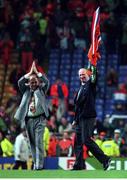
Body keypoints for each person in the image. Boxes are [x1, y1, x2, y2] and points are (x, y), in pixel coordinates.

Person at [71, 65, 111, 170]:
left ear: (87, 74)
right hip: (80, 118)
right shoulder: (81, 87)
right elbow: (77, 107)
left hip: (88, 117)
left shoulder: (90, 85)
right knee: (77, 142)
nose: (81, 76)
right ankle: (78, 165)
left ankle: (105, 159)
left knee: (86, 140)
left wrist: (93, 67)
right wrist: (75, 119)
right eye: (80, 75)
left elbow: (94, 78)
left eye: (83, 74)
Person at [14, 61, 49, 170]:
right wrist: (29, 73)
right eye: (31, 82)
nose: (33, 84)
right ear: (28, 83)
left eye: (35, 82)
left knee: (38, 142)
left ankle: (39, 166)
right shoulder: (25, 91)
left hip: (40, 119)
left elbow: (46, 82)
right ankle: (36, 164)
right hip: (28, 119)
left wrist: (37, 73)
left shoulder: (42, 90)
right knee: (32, 143)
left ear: (38, 83)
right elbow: (20, 82)